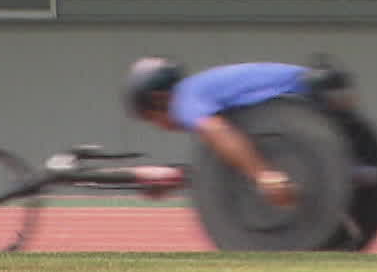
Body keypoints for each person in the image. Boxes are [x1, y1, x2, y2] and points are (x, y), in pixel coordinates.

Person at [124, 56, 350, 208]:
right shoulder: (202, 89)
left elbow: (215, 130)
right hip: (320, 89)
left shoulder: (184, 98)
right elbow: (232, 157)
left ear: (159, 98)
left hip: (301, 99)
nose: (160, 128)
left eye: (152, 119)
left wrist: (263, 175)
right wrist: (179, 179)